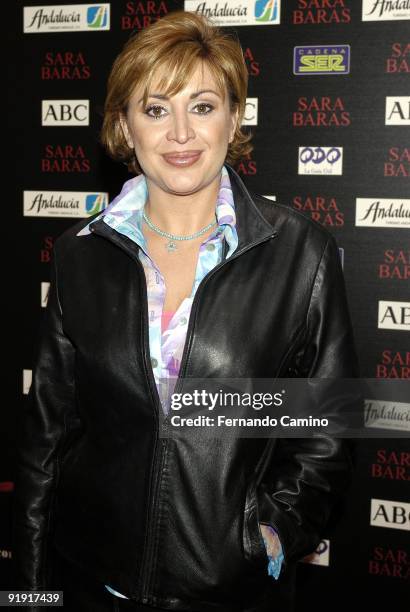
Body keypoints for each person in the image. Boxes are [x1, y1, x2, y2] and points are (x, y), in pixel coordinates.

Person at [12, 9, 361, 612]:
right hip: (90, 581)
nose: (180, 134)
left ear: (233, 117)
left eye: (201, 106)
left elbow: (325, 426)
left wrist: (270, 534)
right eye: (155, 108)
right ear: (124, 125)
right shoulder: (79, 255)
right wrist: (29, 593)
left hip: (233, 594)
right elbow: (47, 440)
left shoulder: (301, 253)